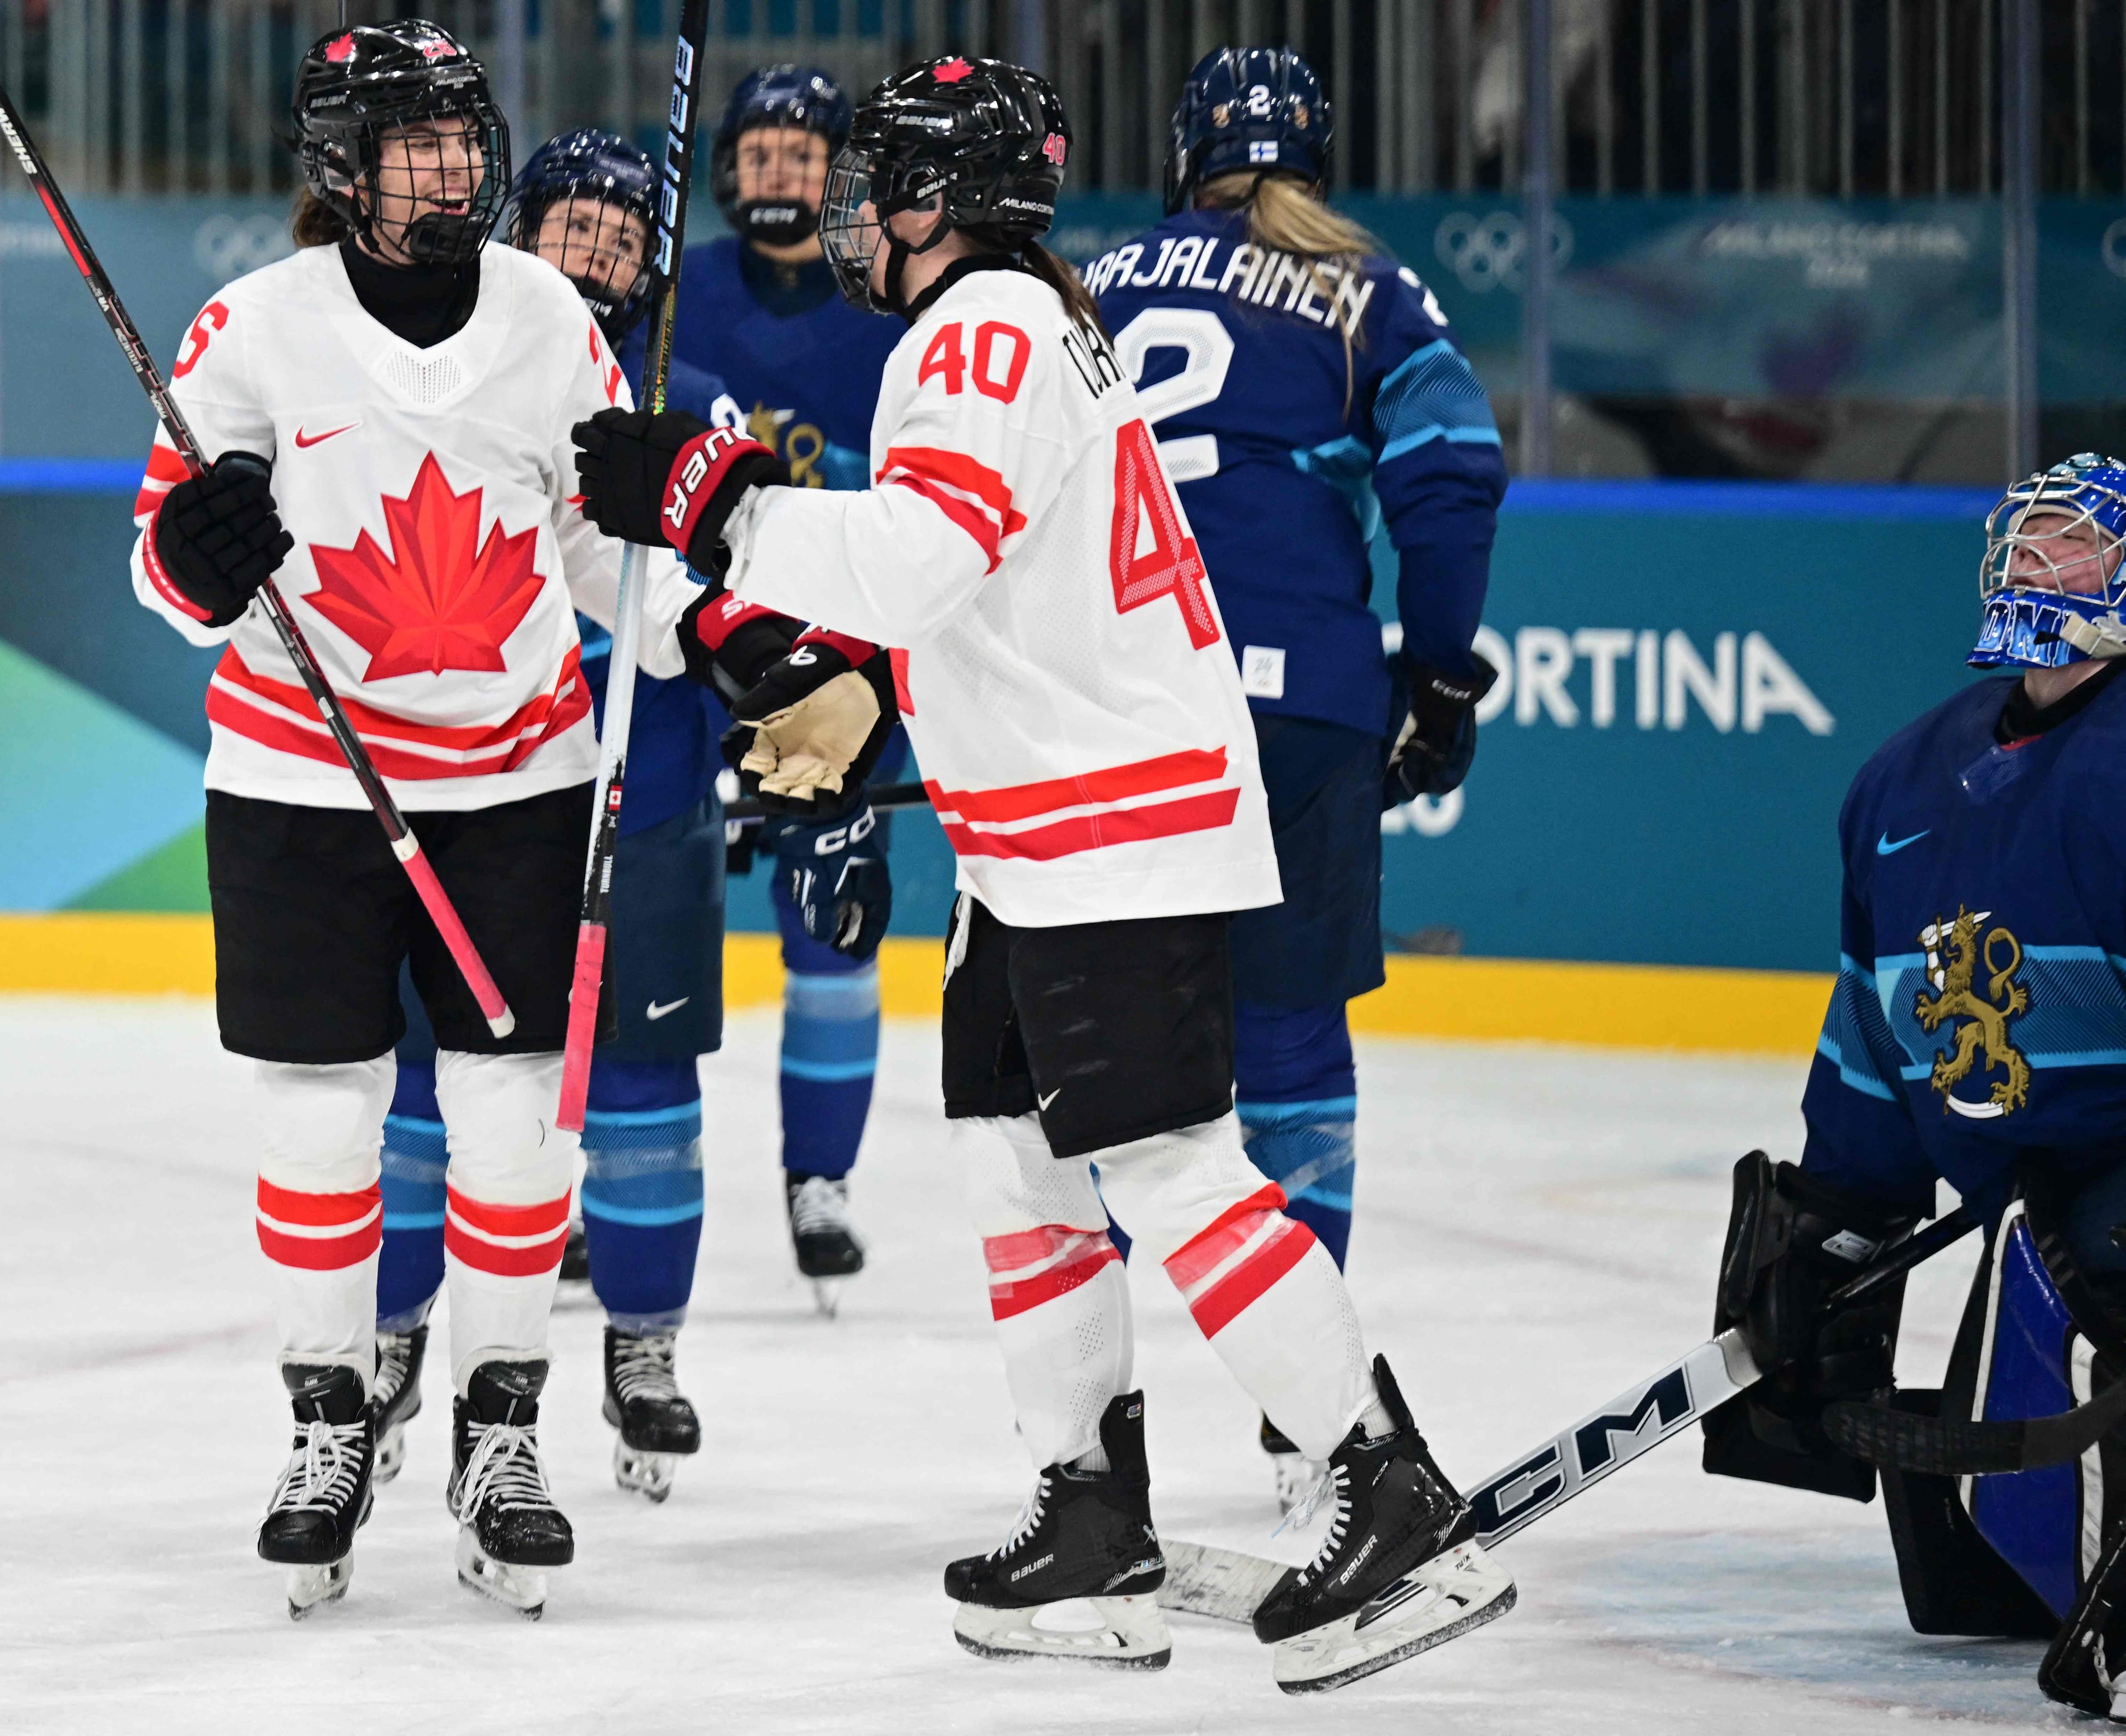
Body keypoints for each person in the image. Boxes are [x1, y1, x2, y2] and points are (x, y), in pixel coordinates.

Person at [569, 54, 1514, 1689]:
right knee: (1020, 1161)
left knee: (1168, 1165)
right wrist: (740, 625)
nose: (856, 208)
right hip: (1034, 836)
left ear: (944, 200)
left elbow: (919, 556)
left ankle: (1386, 1481)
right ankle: (1092, 1512)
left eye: (881, 180)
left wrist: (715, 503)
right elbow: (959, 599)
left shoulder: (987, 327)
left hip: (1116, 831)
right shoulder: (1002, 322)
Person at [126, 22, 751, 1620]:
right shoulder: (249, 330)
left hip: (516, 783)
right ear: (340, 167)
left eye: (466, 138)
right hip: (300, 779)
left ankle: (501, 1435)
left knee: (509, 1119)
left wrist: (703, 571)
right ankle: (328, 1424)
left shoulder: (552, 324)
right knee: (325, 1120)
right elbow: (162, 577)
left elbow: (631, 575)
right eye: (415, 143)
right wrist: (201, 551)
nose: (454, 169)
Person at [1087, 46, 1506, 1506]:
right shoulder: (1363, 287)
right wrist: (1441, 668)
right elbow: (1454, 464)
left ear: (1180, 155)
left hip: (1120, 713)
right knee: (1294, 1065)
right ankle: (1309, 1425)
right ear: (1315, 158)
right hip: (1298, 707)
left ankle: (1088, 1436)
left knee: (1101, 1074)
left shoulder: (1100, 282)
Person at [1704, 455, 2126, 1717]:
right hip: (2039, 1209)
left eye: (2078, 547)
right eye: (2031, 539)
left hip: (2105, 1197)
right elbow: (1873, 1029)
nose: (2042, 564)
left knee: (2088, 1248)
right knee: (1967, 1578)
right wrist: (1832, 1225)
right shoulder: (1899, 780)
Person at [364, 129, 742, 1505]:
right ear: (520, 236)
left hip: (643, 804)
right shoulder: (451, 386)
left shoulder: (694, 401)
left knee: (643, 1099)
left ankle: (643, 1346)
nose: (592, 248)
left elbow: (732, 598)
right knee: (421, 1091)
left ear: (652, 261)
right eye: (568, 223)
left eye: (619, 230)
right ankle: (395, 1331)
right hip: (471, 792)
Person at [676, 64, 907, 1305]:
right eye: (758, 154)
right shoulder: (681, 293)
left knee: (833, 938)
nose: (778, 174)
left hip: (841, 672)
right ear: (726, 172)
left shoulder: (888, 308)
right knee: (650, 935)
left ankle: (822, 1180)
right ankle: (615, 1174)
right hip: (691, 659)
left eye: (802, 155)